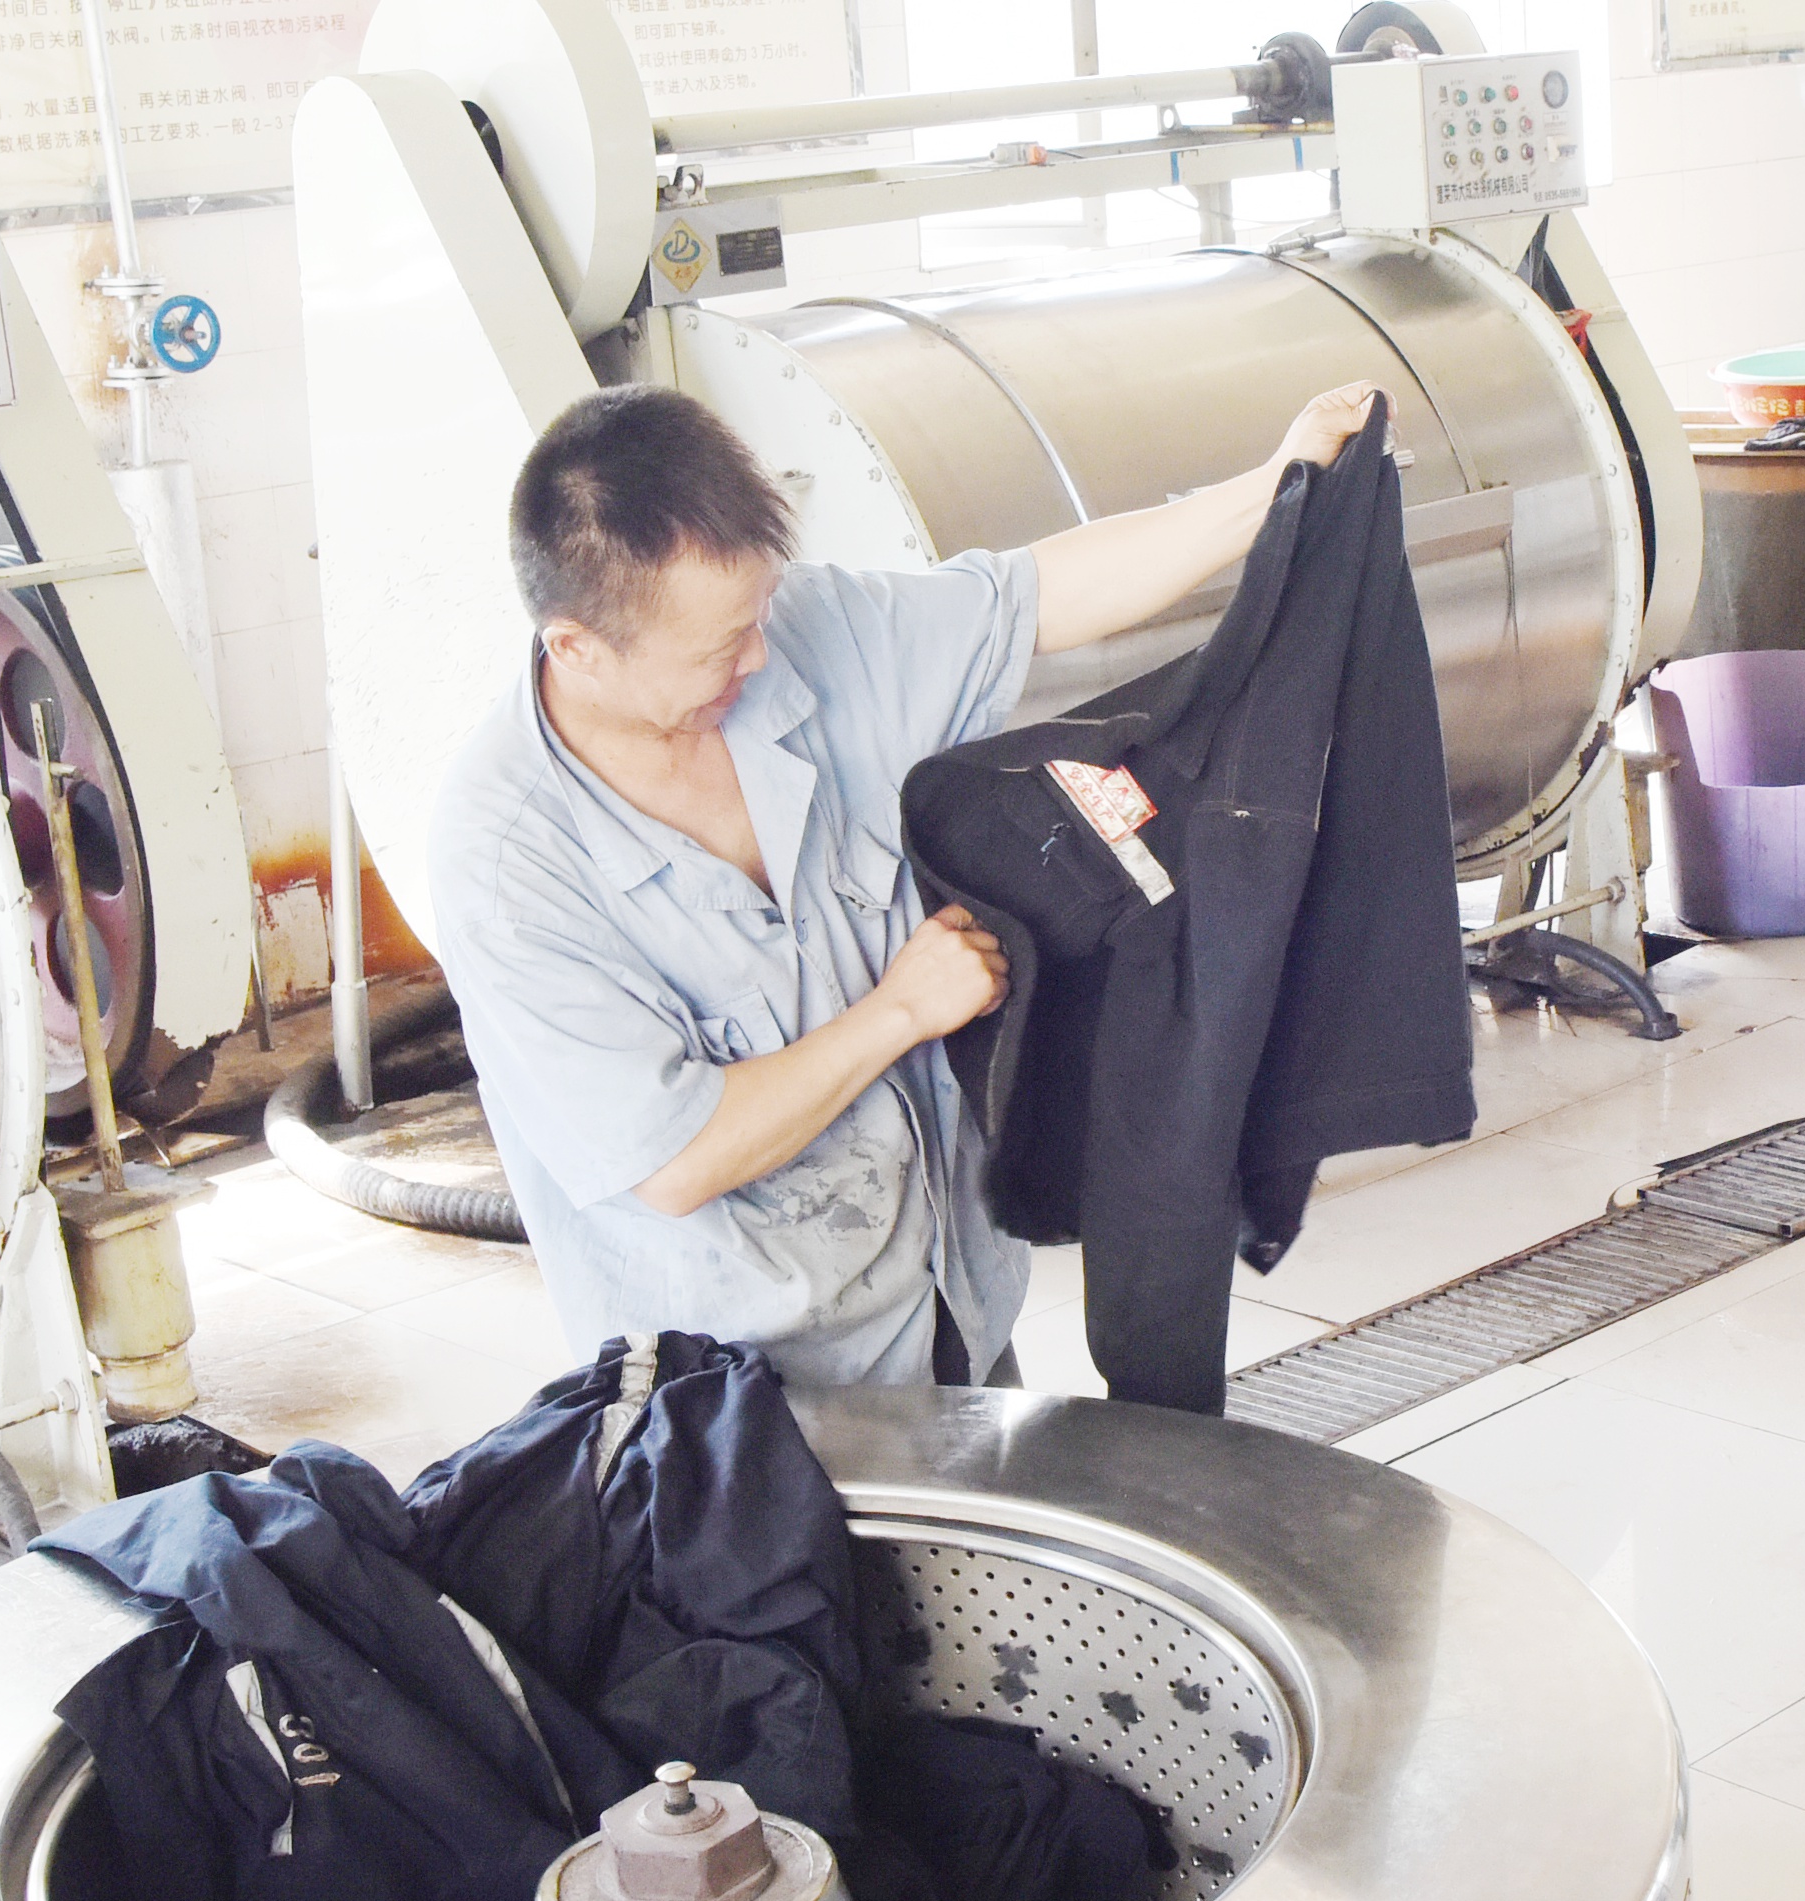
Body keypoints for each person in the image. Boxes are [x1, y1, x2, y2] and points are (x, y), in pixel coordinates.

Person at [432, 379, 1386, 1389]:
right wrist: (901, 1012)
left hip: (943, 1310)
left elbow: (1037, 595)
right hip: (731, 1393)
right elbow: (674, 1160)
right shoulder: (508, 863)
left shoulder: (810, 631)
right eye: (718, 647)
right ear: (577, 648)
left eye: (759, 612)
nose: (760, 654)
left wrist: (1277, 483)